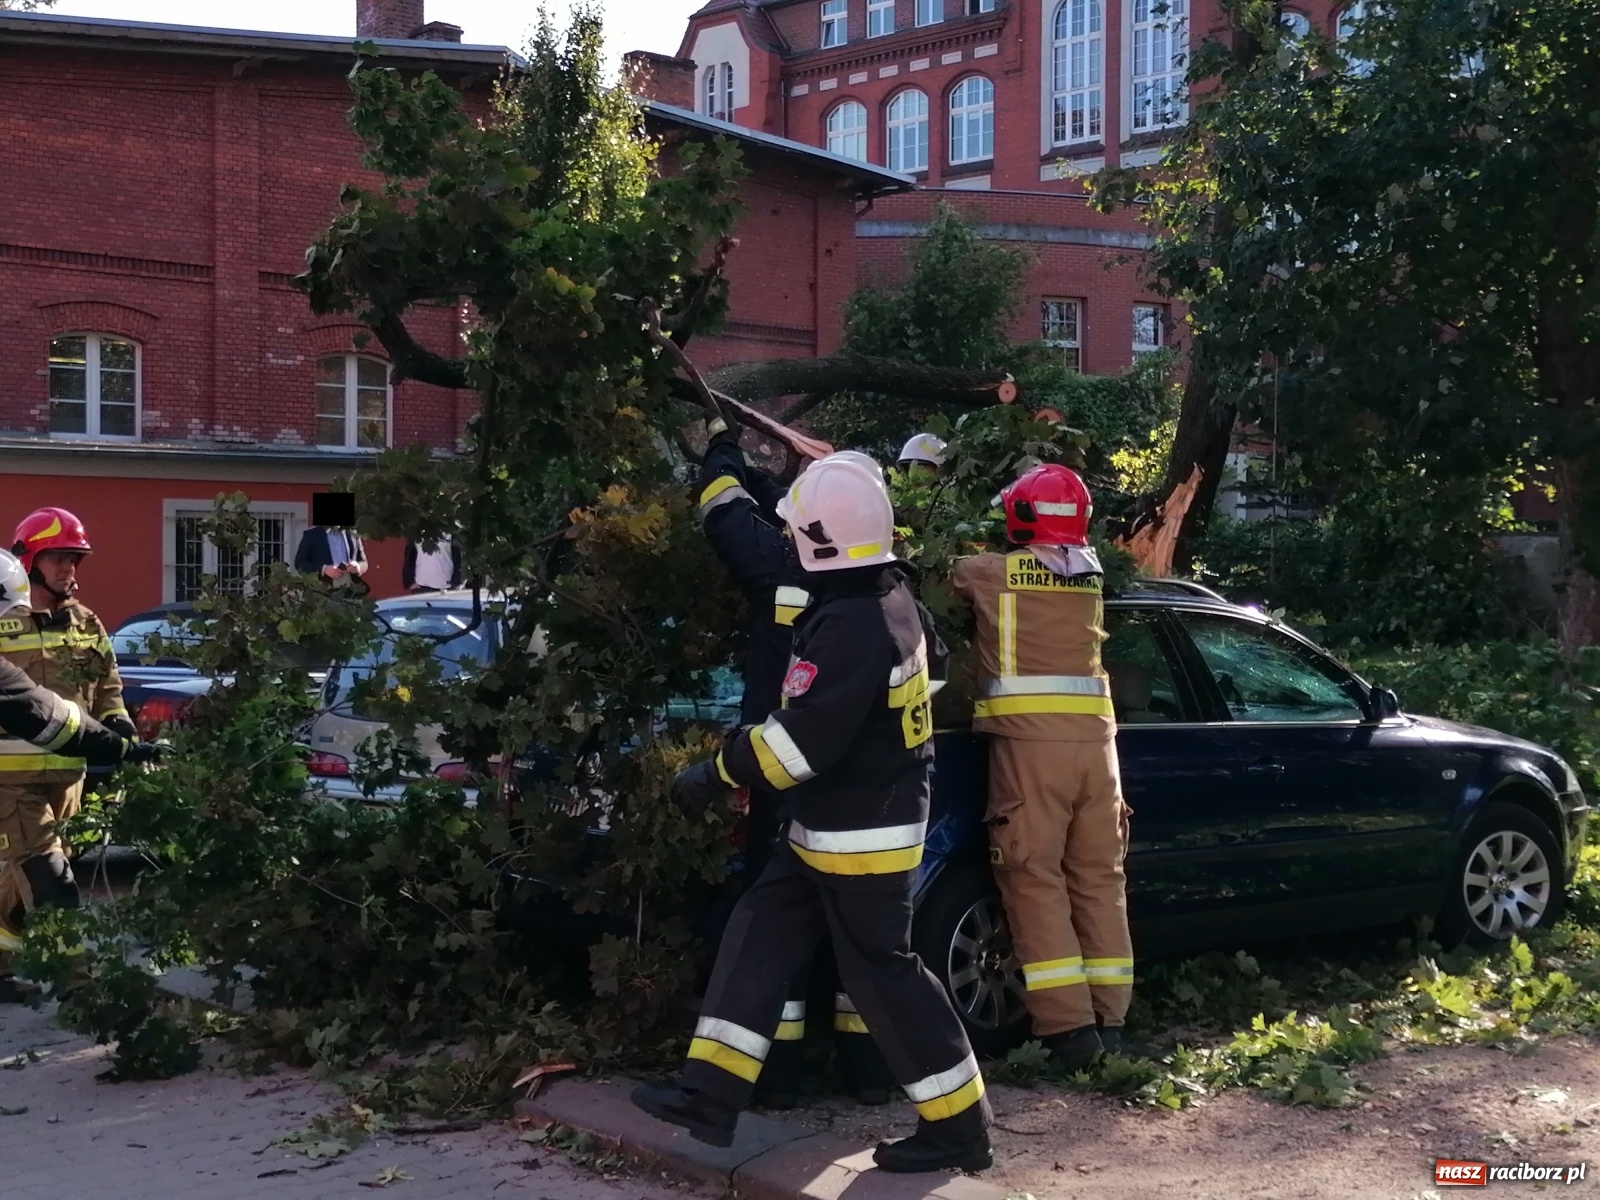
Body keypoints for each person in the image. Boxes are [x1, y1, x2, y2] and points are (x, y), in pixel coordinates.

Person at [636, 453, 993, 1175]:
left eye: (800, 532)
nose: (790, 541)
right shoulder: (889, 594)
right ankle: (709, 1093)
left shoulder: (853, 624)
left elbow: (801, 743)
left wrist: (717, 770)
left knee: (884, 974)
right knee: (759, 932)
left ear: (823, 543)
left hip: (859, 834)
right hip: (837, 825)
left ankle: (960, 1126)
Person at [693, 419, 895, 1108]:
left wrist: (722, 447)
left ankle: (775, 1079)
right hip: (859, 779)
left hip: (779, 765)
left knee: (774, 924)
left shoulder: (775, 558)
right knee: (859, 937)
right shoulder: (885, 584)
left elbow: (720, 507)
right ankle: (868, 1071)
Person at [950, 463, 1133, 1069]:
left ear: (1018, 517)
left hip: (1032, 752)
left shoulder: (989, 572)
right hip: (1098, 751)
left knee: (1034, 879)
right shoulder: (1092, 576)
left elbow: (946, 575)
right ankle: (1111, 1017)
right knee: (1099, 880)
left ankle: (1068, 1031)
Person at [0, 533, 162, 1002]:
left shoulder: (87, 622)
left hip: (70, 776)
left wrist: (121, 732)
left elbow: (108, 689)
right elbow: (34, 710)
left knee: (20, 882)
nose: (68, 568)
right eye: (57, 558)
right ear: (30, 562)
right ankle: (83, 992)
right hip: (10, 781)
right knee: (52, 881)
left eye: (74, 559)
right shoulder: (5, 616)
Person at [294, 522, 369, 587]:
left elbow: (364, 562)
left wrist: (358, 566)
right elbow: (299, 563)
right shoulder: (312, 535)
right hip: (324, 591)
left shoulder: (353, 534)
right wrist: (324, 569)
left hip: (351, 590)